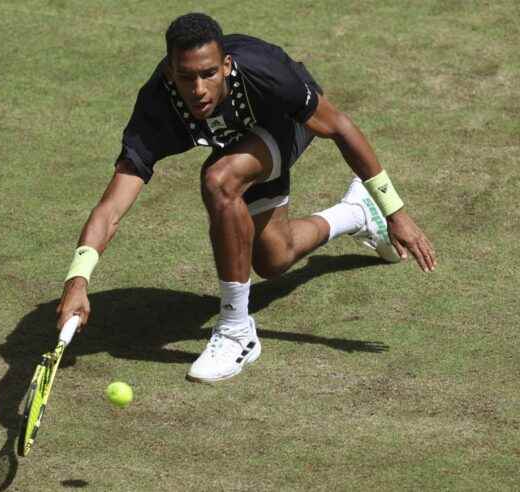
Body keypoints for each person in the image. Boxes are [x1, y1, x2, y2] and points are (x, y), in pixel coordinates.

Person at [56, 13, 436, 383]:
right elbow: (112, 208)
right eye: (186, 77)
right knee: (274, 257)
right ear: (170, 73)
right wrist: (78, 280)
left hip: (285, 124)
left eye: (208, 74)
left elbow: (339, 127)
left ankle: (237, 330)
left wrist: (397, 211)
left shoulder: (266, 72)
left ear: (226, 65)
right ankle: (356, 213)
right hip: (239, 142)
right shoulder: (156, 106)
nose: (199, 88)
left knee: (220, 180)